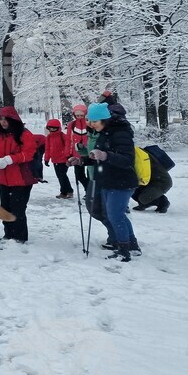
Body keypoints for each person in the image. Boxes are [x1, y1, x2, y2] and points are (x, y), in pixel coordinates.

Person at [75, 103, 140, 262]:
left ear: (105, 119)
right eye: (89, 120)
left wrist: (105, 155)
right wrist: (81, 160)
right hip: (106, 180)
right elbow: (98, 157)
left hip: (121, 181)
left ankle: (124, 251)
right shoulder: (103, 133)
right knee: (116, 215)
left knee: (115, 216)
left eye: (94, 121)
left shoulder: (120, 134)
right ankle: (132, 245)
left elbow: (127, 159)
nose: (91, 124)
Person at [0, 106, 37, 243]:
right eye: (1, 119)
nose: (3, 122)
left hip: (21, 179)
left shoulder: (24, 134)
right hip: (4, 178)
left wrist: (10, 159)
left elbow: (29, 153)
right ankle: (8, 234)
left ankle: (20, 237)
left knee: (18, 209)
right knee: (5, 208)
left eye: (6, 119)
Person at [44, 118, 74, 199]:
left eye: (54, 128)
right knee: (60, 176)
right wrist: (46, 159)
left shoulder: (62, 136)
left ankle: (69, 191)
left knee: (62, 175)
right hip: (55, 160)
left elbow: (68, 146)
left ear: (58, 128)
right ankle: (64, 192)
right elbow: (47, 149)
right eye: (50, 128)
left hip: (63, 159)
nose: (52, 129)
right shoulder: (49, 137)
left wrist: (68, 155)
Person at [66, 104, 90, 192]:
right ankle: (89, 190)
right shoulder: (72, 125)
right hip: (77, 154)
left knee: (91, 176)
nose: (79, 117)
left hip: (89, 154)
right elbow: (68, 140)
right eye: (77, 115)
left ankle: (91, 192)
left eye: (81, 115)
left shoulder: (89, 123)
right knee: (79, 175)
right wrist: (68, 154)